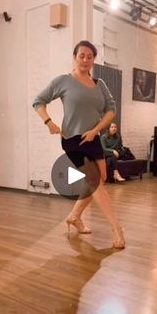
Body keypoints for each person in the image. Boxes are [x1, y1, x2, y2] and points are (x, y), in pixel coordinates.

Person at [33, 40, 125, 249]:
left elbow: (111, 109)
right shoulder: (64, 81)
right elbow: (39, 101)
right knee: (96, 182)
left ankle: (74, 216)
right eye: (81, 55)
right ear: (75, 57)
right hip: (73, 140)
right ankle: (117, 228)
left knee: (99, 179)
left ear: (93, 60)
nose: (85, 59)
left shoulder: (99, 84)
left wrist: (95, 130)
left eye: (89, 56)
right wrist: (49, 122)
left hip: (92, 139)